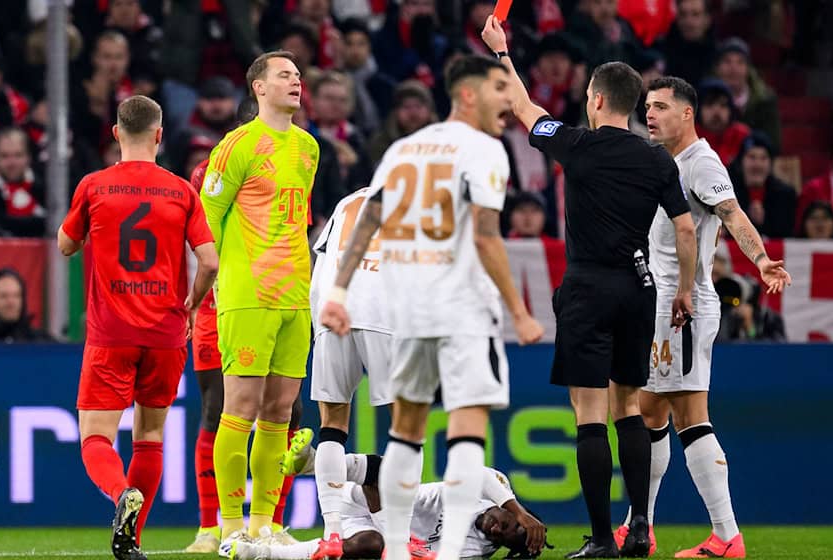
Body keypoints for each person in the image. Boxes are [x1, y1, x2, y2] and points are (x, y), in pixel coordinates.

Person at [481, 15, 697, 559]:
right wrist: (685, 289)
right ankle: (642, 528)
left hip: (587, 288)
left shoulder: (576, 143)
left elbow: (525, 109)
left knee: (589, 413)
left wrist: (502, 52)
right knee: (631, 408)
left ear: (596, 100)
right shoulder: (656, 158)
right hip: (640, 287)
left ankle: (603, 538)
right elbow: (686, 226)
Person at [319, 54, 545, 560]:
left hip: (406, 309)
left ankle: (399, 548)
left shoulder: (404, 148)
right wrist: (519, 309)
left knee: (407, 435)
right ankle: (444, 555)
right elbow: (486, 237)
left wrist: (337, 291)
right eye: (497, 92)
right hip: (458, 308)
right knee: (466, 430)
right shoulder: (485, 151)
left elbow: (369, 220)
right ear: (468, 95)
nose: (506, 104)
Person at [619, 76, 791, 559]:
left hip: (685, 307)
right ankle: (640, 526)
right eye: (646, 107)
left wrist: (759, 260)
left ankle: (726, 534)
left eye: (659, 107)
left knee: (690, 416)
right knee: (650, 413)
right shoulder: (664, 161)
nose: (649, 115)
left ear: (687, 114)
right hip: (661, 306)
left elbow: (733, 213)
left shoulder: (701, 162)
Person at [57, 95, 219, 560]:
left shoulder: (94, 185)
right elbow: (209, 259)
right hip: (167, 334)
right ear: (160, 136)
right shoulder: (181, 191)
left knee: (95, 437)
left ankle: (119, 493)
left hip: (112, 332)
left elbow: (66, 245)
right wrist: (192, 304)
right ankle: (132, 538)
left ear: (115, 135)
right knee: (149, 438)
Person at [200, 50, 320, 543]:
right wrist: (209, 285)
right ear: (259, 88)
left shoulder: (309, 148)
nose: (296, 82)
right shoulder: (236, 145)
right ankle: (230, 528)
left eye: (298, 75)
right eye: (284, 75)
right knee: (240, 407)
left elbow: (299, 223)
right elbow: (206, 219)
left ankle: (265, 526)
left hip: (296, 296)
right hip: (248, 293)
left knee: (280, 413)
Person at [184, 97, 306, 553]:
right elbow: (204, 236)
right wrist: (200, 300)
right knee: (220, 410)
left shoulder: (301, 154)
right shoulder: (218, 165)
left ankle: (269, 523)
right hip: (228, 302)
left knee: (286, 413)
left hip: (283, 299)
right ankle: (211, 526)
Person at [229, 448, 546, 560]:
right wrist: (522, 514)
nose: (493, 528)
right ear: (507, 510)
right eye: (503, 523)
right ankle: (313, 462)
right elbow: (480, 472)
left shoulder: (474, 551)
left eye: (498, 537)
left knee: (364, 544)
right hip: (368, 495)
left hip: (383, 531)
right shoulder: (495, 490)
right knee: (389, 473)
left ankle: (261, 552)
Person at [304, 186, 394, 556]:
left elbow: (320, 261)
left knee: (332, 424)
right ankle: (400, 537)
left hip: (330, 308)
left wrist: (318, 325)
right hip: (382, 312)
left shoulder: (346, 202)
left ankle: (334, 532)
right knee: (406, 425)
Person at [729, 132, 796, 239]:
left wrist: (765, 222)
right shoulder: (727, 193)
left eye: (763, 158)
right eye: (752, 157)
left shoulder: (785, 195)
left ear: (770, 163)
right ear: (741, 162)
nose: (757, 164)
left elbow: (787, 234)